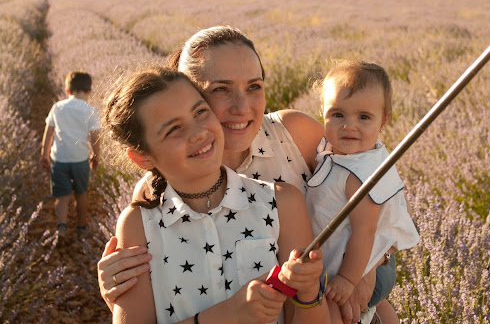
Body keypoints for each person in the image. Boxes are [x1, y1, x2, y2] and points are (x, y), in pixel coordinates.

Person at [97, 26, 399, 324]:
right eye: (220, 90)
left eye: (254, 86)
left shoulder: (294, 135)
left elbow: (373, 188)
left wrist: (367, 268)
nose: (242, 107)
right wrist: (117, 292)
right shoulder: (154, 196)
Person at [104, 66, 328, 324]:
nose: (199, 132)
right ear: (142, 157)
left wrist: (309, 291)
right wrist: (225, 316)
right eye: (173, 129)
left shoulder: (281, 203)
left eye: (200, 112)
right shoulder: (139, 224)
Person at [306, 61, 419, 324]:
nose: (349, 126)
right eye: (338, 115)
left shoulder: (361, 174)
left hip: (364, 268)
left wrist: (348, 279)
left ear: (384, 121)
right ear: (322, 112)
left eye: (363, 117)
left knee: (333, 314)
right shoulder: (344, 155)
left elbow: (365, 231)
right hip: (363, 262)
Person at [40, 71, 101, 238]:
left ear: (67, 91)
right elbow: (95, 138)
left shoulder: (58, 107)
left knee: (62, 194)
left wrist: (44, 155)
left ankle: (61, 226)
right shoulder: (90, 110)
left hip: (59, 158)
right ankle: (81, 227)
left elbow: (48, 133)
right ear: (89, 91)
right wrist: (96, 156)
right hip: (80, 158)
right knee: (81, 193)